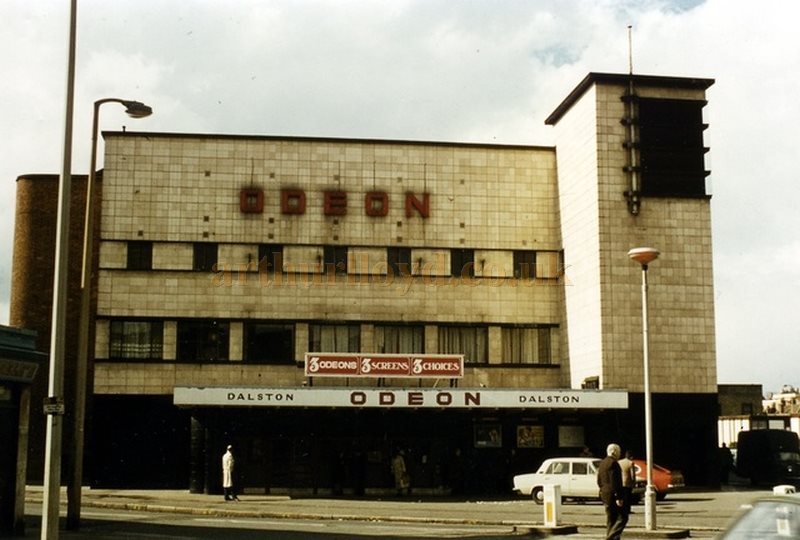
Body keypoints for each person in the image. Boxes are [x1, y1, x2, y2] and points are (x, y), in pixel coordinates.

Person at [597, 443, 628, 540]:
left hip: (604, 494)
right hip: (613, 494)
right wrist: (619, 496)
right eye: (619, 452)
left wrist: (603, 489)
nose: (620, 454)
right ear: (614, 452)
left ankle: (612, 537)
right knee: (623, 517)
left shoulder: (602, 463)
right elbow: (616, 481)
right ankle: (610, 538)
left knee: (611, 519)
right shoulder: (614, 463)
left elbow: (599, 480)